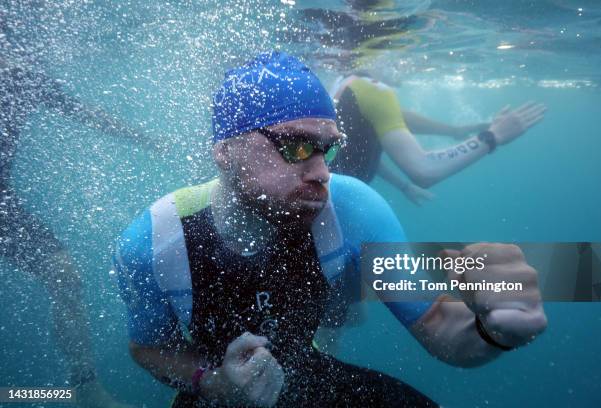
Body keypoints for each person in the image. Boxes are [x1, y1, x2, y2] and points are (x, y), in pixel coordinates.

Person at [113, 52, 547, 407]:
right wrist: (212, 385)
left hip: (305, 372)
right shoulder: (154, 242)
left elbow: (439, 330)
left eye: (328, 148)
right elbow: (149, 348)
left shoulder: (352, 207)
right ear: (225, 152)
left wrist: (493, 331)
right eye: (297, 147)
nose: (323, 171)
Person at [1, 48, 152, 408]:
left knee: (64, 274)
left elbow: (86, 114)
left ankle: (85, 388)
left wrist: (142, 138)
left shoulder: (22, 74)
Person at [328, 73, 547, 203]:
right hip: (335, 210)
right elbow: (424, 170)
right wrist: (493, 136)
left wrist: (455, 130)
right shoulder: (374, 91)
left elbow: (355, 151)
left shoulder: (346, 86)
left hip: (321, 205)